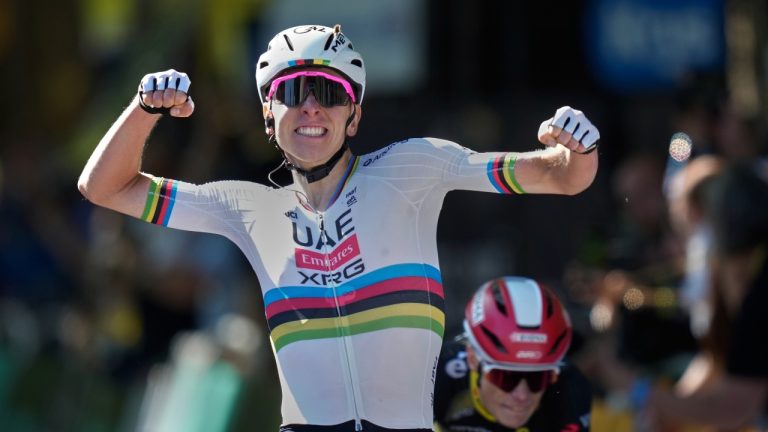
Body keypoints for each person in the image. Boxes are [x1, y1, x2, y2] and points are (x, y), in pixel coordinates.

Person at [77, 24, 600, 432]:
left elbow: (562, 177)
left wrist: (579, 148)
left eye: (328, 93)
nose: (310, 107)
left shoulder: (411, 168)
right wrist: (144, 110)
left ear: (353, 115)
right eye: (293, 91)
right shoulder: (248, 208)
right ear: (268, 113)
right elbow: (103, 188)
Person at [640, 163, 768, 430]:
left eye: (695, 225)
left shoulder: (758, 295)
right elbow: (716, 362)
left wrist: (641, 393)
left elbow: (733, 408)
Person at [434, 276, 592, 431]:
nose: (522, 396)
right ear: (473, 359)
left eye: (537, 378)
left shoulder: (569, 386)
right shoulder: (441, 372)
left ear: (552, 375)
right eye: (506, 377)